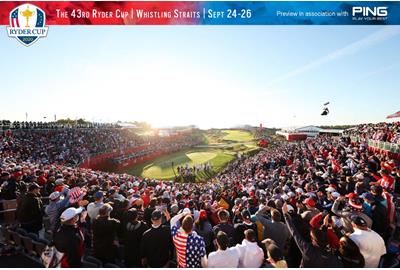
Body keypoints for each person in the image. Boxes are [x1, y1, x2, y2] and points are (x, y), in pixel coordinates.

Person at [282, 203, 343, 268]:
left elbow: (294, 233)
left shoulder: (308, 249)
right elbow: (322, 235)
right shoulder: (330, 253)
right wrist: (325, 226)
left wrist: (285, 215)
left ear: (314, 241)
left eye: (312, 238)